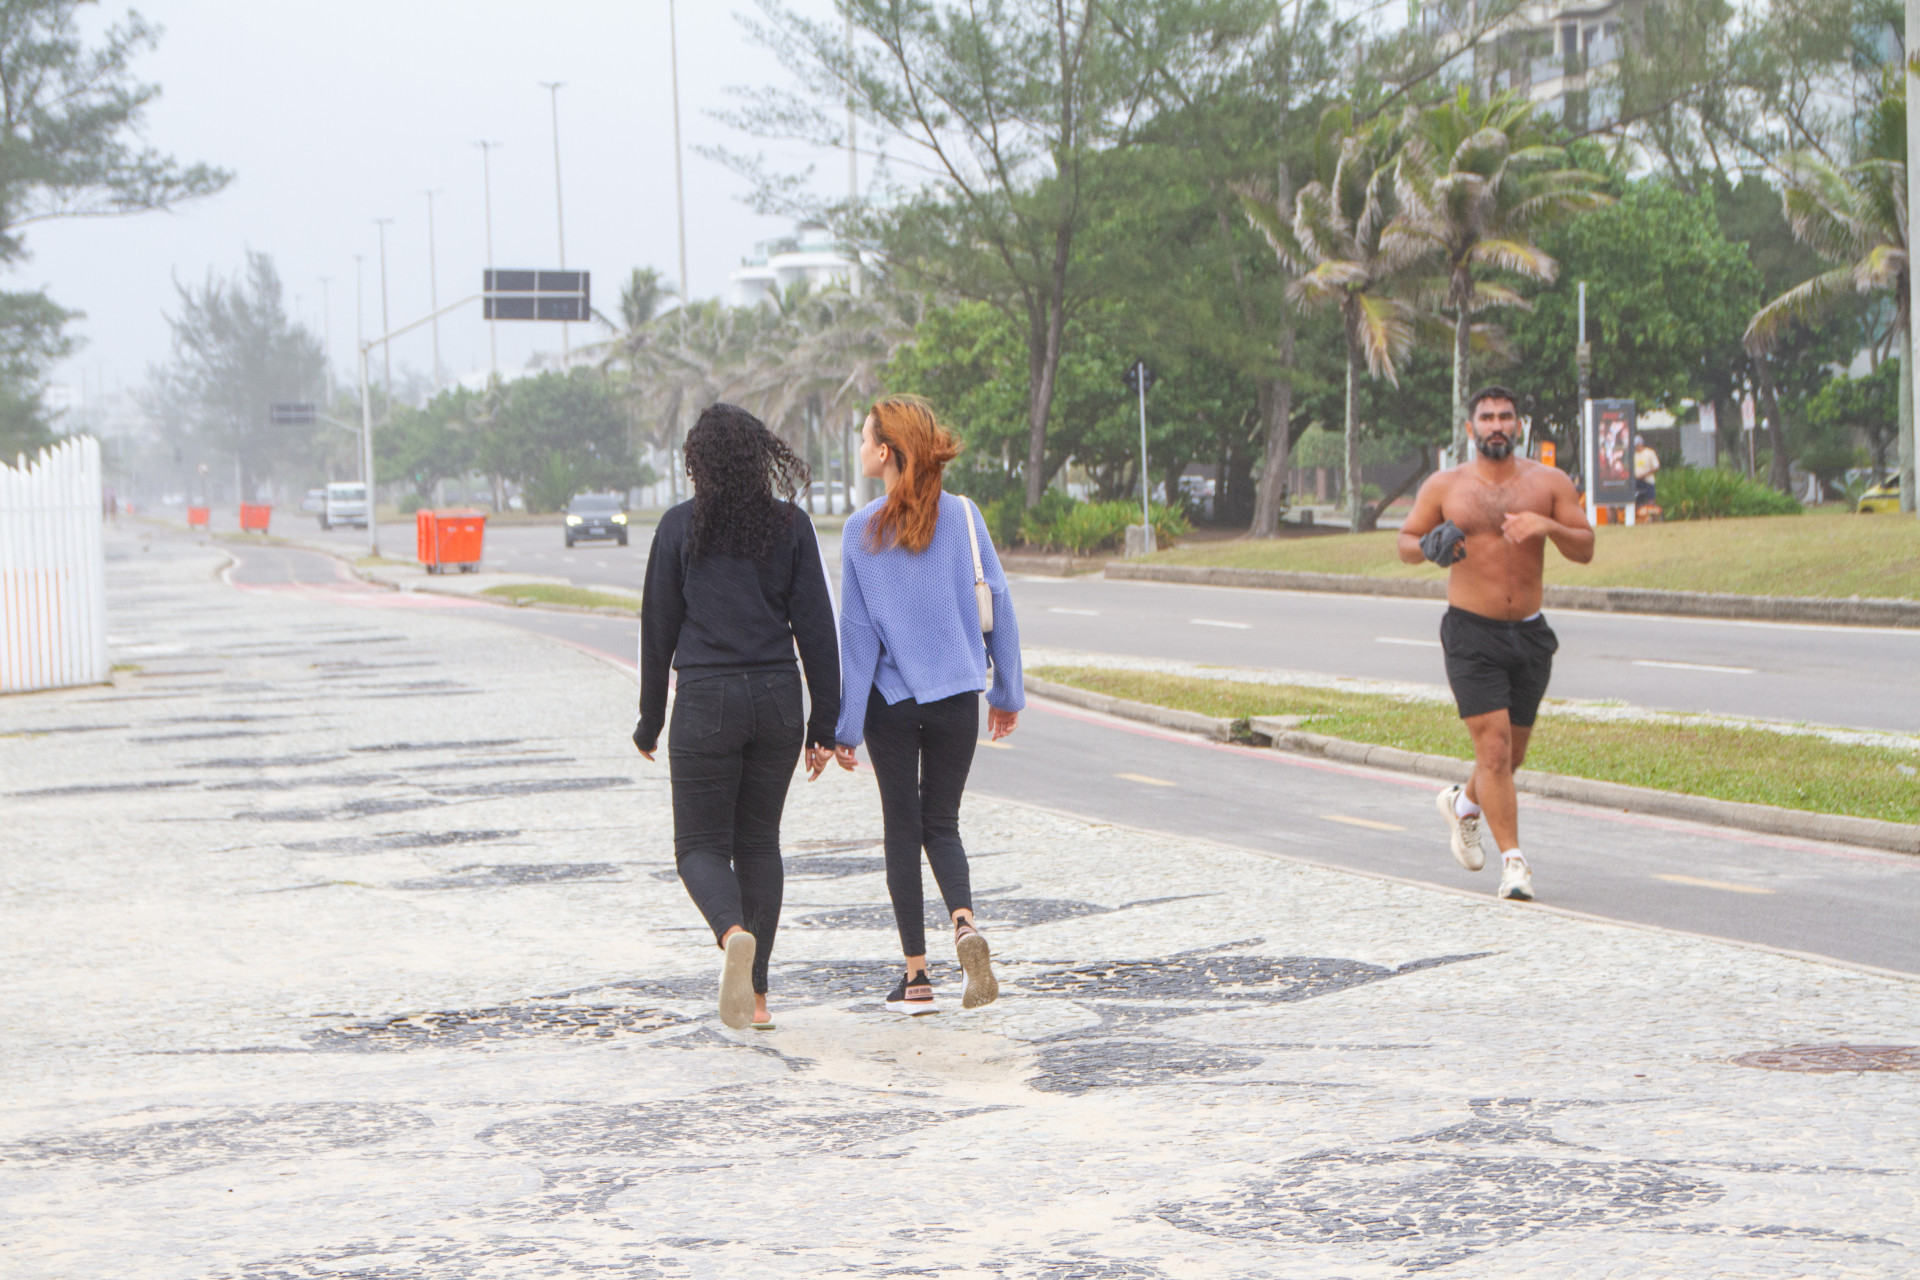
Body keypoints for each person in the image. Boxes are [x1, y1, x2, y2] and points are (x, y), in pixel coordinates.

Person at [633, 403, 840, 1031]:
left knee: (698, 847)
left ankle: (731, 935)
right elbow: (818, 629)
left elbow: (656, 631)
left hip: (707, 701)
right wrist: (824, 725)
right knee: (758, 845)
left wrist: (649, 721)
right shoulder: (791, 526)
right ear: (760, 458)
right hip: (778, 699)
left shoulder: (677, 528)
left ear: (697, 462)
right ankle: (757, 999)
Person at [833, 396, 1024, 1015]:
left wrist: (843, 729)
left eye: (865, 439)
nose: (861, 448)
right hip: (956, 699)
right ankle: (965, 925)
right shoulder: (965, 516)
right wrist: (1007, 693)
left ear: (885, 452)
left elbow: (856, 639)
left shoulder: (861, 532)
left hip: (891, 703)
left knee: (901, 827)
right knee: (942, 823)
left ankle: (916, 977)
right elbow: (1002, 603)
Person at [1398, 386, 1595, 901]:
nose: (1496, 425)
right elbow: (1405, 543)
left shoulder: (1548, 482)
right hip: (1470, 633)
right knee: (1494, 749)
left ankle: (1464, 805)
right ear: (1470, 429)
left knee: (1511, 756)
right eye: (1486, 417)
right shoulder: (1446, 486)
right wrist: (1427, 546)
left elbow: (1586, 548)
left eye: (1505, 416)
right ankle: (1515, 865)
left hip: (1529, 633)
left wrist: (1547, 525)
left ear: (1519, 424)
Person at [1633, 433, 1661, 507]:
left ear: (1642, 444)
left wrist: (1645, 474)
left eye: (1639, 444)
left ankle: (1653, 516)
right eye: (1636, 445)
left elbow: (1656, 466)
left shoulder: (1649, 452)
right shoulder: (1633, 454)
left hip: (1648, 481)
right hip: (1636, 482)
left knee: (1651, 501)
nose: (1637, 446)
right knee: (1637, 502)